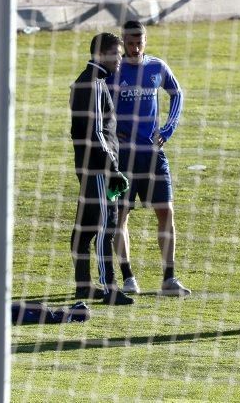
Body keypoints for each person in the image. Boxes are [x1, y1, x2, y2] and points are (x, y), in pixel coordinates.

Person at [108, 20, 191, 297]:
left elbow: (177, 93)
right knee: (120, 215)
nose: (134, 48)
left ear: (146, 40)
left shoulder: (157, 67)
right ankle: (128, 276)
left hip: (154, 155)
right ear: (122, 42)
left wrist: (168, 128)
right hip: (124, 157)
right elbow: (95, 104)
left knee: (166, 212)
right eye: (129, 43)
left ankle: (169, 278)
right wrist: (110, 133)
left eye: (138, 42)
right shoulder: (113, 72)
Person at [69, 32, 134, 306]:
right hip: (99, 170)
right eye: (117, 54)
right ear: (102, 54)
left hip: (88, 166)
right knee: (106, 227)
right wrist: (113, 168)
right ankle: (109, 288)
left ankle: (84, 286)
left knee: (83, 230)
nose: (120, 59)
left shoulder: (84, 82)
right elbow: (96, 131)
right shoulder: (94, 84)